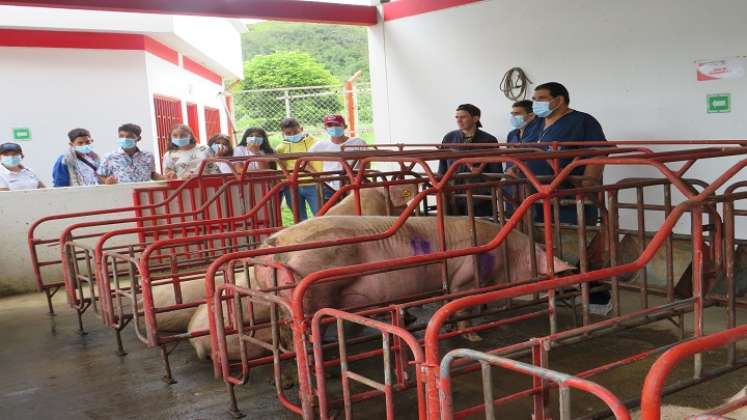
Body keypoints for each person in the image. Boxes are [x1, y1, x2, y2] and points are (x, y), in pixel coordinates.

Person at [523, 82, 610, 315]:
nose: (536, 103)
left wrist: (587, 186)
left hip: (570, 196)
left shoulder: (583, 121)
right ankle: (562, 291)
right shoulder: (535, 124)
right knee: (549, 245)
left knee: (581, 244)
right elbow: (522, 152)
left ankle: (597, 297)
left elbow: (598, 154)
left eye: (540, 98)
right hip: (539, 196)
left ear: (558, 100)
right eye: (534, 98)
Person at [438, 104, 502, 217]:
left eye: (463, 117)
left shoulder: (488, 140)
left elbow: (496, 171)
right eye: (457, 117)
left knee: (481, 226)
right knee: (454, 227)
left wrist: (485, 190)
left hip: (478, 195)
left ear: (475, 118)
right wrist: (441, 185)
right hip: (453, 192)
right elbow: (442, 166)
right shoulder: (449, 138)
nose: (459, 120)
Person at [309, 114, 367, 198]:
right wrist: (319, 175)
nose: (333, 127)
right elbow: (303, 163)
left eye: (337, 124)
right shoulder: (320, 145)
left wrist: (359, 175)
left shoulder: (358, 142)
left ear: (345, 126)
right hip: (329, 186)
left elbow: (365, 161)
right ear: (325, 128)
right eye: (330, 125)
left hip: (353, 183)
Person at [275, 117, 322, 221]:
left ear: (301, 129)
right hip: (293, 187)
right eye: (288, 133)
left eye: (295, 132)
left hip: (313, 184)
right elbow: (282, 169)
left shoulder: (315, 143)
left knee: (319, 214)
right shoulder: (280, 148)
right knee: (299, 218)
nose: (292, 135)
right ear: (283, 133)